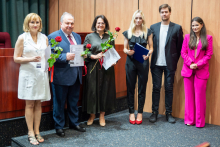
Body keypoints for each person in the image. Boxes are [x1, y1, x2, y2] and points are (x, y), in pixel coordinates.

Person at [14, 13, 51, 145]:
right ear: (27, 24)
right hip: (28, 75)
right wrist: (30, 59)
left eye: (37, 22)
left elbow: (47, 57)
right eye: (32, 22)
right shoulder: (22, 38)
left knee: (38, 103)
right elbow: (16, 58)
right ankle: (30, 132)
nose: (35, 25)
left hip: (41, 75)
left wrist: (50, 63)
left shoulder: (44, 38)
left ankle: (37, 131)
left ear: (40, 24)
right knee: (29, 104)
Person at [48, 12, 86, 137]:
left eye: (72, 23)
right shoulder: (53, 36)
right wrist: (65, 56)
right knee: (59, 102)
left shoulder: (77, 37)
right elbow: (50, 56)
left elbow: (79, 52)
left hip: (76, 74)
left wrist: (83, 55)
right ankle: (59, 126)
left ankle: (74, 123)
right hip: (61, 75)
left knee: (73, 101)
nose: (70, 25)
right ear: (61, 23)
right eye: (67, 23)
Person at [149, 4, 183, 123]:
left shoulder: (177, 28)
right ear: (160, 13)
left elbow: (180, 47)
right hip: (156, 64)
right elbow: (150, 44)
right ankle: (154, 112)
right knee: (156, 88)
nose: (164, 14)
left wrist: (174, 59)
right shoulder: (153, 28)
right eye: (162, 12)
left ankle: (169, 113)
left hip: (170, 64)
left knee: (169, 88)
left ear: (170, 13)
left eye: (166, 12)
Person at [82, 15, 116, 127]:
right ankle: (92, 115)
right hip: (93, 67)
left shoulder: (110, 36)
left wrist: (113, 60)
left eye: (102, 23)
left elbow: (112, 51)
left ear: (105, 24)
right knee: (92, 91)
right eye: (98, 23)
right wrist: (93, 56)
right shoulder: (89, 36)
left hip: (107, 68)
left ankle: (102, 115)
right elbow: (83, 53)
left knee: (105, 90)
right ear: (95, 24)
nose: (100, 25)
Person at [122, 10, 153, 125]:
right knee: (130, 87)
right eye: (136, 18)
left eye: (140, 18)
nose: (138, 20)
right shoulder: (128, 33)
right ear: (133, 19)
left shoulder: (148, 32)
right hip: (130, 62)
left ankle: (140, 112)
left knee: (141, 88)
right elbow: (125, 48)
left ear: (143, 20)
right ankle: (131, 112)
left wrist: (148, 54)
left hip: (143, 62)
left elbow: (151, 48)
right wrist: (127, 52)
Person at [181, 17, 213, 128]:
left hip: (201, 70)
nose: (194, 27)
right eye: (193, 25)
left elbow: (209, 55)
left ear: (202, 25)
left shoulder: (208, 38)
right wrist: (190, 63)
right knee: (189, 97)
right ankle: (190, 120)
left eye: (196, 25)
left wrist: (197, 64)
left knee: (200, 97)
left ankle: (200, 122)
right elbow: (183, 52)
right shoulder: (187, 37)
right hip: (188, 69)